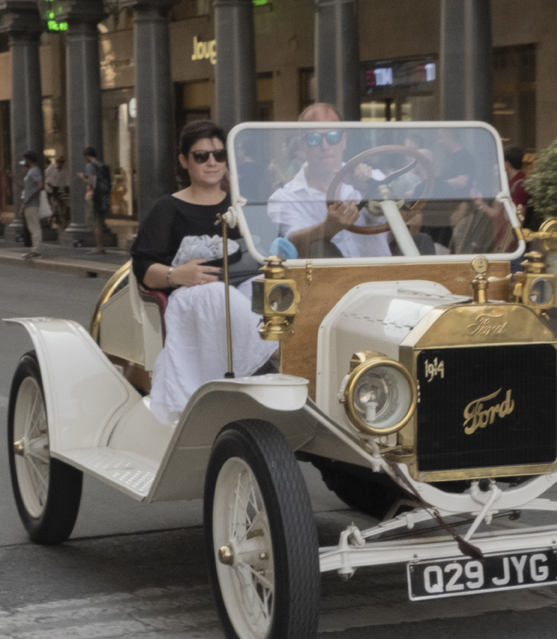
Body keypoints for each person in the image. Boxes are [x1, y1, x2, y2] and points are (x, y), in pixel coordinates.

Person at [130, 120, 278, 424]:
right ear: (184, 161)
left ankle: (281, 355)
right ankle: (274, 357)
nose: (212, 162)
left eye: (219, 155)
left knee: (270, 288)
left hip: (240, 287)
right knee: (215, 293)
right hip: (193, 296)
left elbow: (267, 252)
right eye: (201, 156)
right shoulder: (167, 209)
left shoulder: (243, 206)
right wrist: (176, 275)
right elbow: (143, 266)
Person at [267, 102, 390, 258]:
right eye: (314, 138)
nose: (325, 146)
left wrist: (366, 188)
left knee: (422, 240)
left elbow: (405, 216)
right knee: (320, 248)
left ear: (343, 140)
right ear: (302, 145)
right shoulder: (285, 198)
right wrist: (327, 228)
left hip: (382, 277)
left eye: (333, 137)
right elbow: (292, 244)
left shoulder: (374, 178)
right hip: (326, 280)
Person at [80, 147, 111, 254]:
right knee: (100, 222)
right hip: (103, 195)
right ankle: (100, 247)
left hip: (94, 196)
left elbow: (90, 181)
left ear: (87, 156)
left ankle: (99, 248)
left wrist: (83, 178)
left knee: (96, 223)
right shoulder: (101, 164)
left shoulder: (89, 165)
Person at [18, 151, 45, 259]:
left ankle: (36, 250)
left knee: (34, 227)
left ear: (29, 160)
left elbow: (39, 185)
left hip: (32, 203)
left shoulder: (34, 171)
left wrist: (30, 198)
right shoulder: (31, 171)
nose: (24, 162)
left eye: (25, 159)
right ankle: (34, 249)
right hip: (29, 203)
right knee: (32, 227)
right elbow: (26, 187)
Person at [44, 155, 70, 228]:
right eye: (58, 161)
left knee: (62, 208)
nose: (59, 163)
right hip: (50, 190)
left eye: (61, 162)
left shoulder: (65, 170)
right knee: (54, 208)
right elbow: (45, 175)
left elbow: (67, 182)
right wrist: (47, 183)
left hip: (59, 191)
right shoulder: (51, 167)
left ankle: (61, 223)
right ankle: (49, 221)